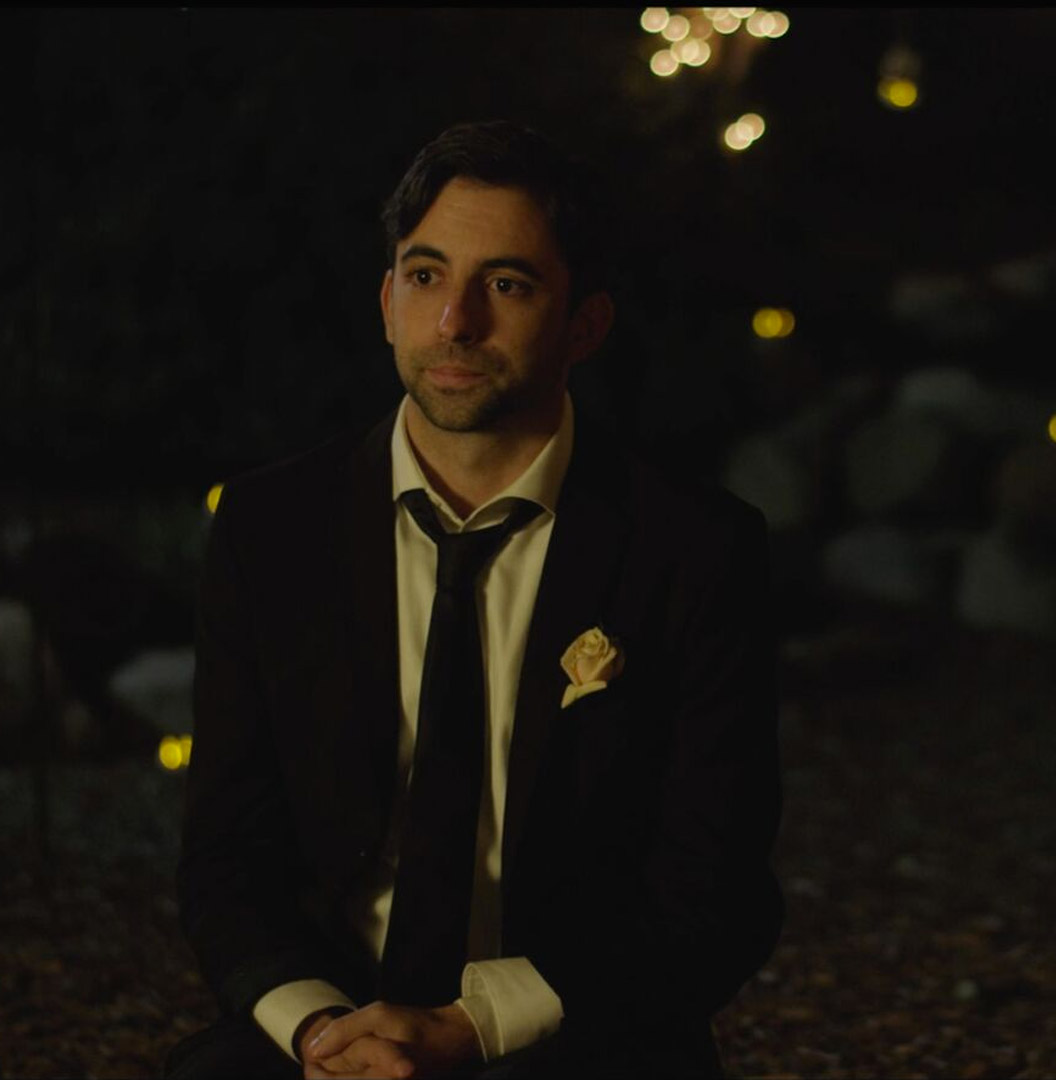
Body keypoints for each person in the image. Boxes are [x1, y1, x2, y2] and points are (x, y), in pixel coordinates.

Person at [167, 121, 782, 1079]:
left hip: (577, 1026)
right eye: (424, 276)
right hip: (325, 1022)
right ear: (385, 302)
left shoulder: (698, 550)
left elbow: (717, 893)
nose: (455, 321)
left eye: (507, 284)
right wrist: (319, 1030)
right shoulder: (269, 527)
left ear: (586, 323)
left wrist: (475, 1027)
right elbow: (225, 854)